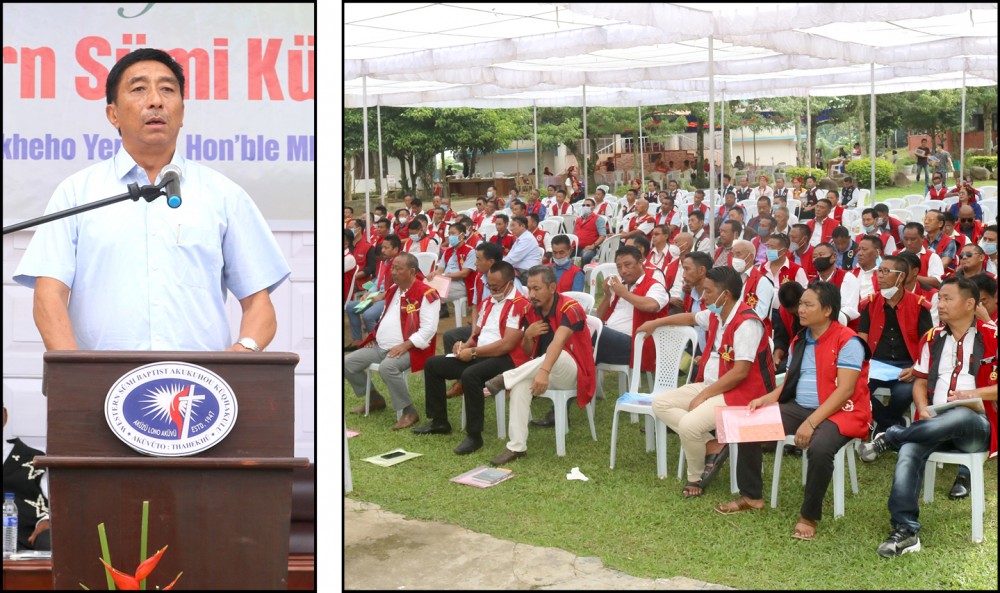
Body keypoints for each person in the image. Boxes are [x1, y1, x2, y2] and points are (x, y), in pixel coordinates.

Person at [13, 48, 289, 353]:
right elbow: (48, 295)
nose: (156, 101)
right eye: (139, 89)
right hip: (101, 386)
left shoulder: (223, 195)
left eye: (168, 89)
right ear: (113, 114)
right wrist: (75, 371)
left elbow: (259, 304)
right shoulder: (77, 192)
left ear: (182, 112)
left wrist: (242, 353)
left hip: (197, 389)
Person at [858, 276, 997, 558]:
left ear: (970, 303)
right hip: (932, 423)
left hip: (976, 425)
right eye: (939, 298)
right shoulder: (932, 337)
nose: (940, 304)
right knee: (910, 450)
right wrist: (922, 408)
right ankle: (905, 531)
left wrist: (973, 395)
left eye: (948, 299)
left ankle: (892, 435)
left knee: (961, 415)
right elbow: (920, 381)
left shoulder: (993, 336)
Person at [732, 282, 871, 541]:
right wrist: (766, 399)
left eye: (808, 305)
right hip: (800, 407)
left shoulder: (848, 341)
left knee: (819, 448)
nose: (801, 309)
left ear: (827, 310)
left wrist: (811, 421)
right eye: (801, 304)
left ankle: (808, 516)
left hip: (841, 411)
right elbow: (790, 382)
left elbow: (845, 391)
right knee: (749, 425)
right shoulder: (801, 339)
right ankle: (751, 496)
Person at [642, 266, 774, 498]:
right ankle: (712, 443)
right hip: (714, 384)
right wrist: (657, 323)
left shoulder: (746, 323)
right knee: (661, 404)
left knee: (689, 425)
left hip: (742, 392)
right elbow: (691, 317)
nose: (703, 298)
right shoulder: (716, 313)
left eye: (708, 292)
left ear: (726, 295)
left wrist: (704, 395)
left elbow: (740, 372)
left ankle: (695, 476)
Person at [414, 262, 531, 455]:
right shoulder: (488, 302)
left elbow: (507, 344)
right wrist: (464, 346)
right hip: (481, 352)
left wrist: (474, 352)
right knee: (433, 364)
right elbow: (478, 333)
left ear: (510, 284)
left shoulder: (520, 305)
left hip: (506, 358)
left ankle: (474, 435)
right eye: (489, 286)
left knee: (470, 375)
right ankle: (439, 421)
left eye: (496, 287)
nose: (492, 291)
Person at [483, 266, 595, 465]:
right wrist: (527, 335)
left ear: (552, 287)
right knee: (520, 386)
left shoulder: (571, 308)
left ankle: (505, 378)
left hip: (574, 371)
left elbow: (559, 343)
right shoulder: (530, 310)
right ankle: (516, 447)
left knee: (557, 353)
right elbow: (528, 352)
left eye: (537, 289)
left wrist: (543, 371)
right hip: (544, 368)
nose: (531, 294)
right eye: (529, 289)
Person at [344, 253, 440, 429]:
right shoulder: (394, 290)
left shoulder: (427, 293)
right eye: (393, 268)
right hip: (381, 346)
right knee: (347, 363)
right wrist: (375, 337)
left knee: (388, 368)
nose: (393, 272)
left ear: (412, 271)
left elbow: (429, 329)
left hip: (411, 349)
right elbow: (383, 317)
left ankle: (408, 411)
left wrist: (406, 345)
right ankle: (375, 399)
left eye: (398, 268)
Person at [858, 255, 934, 435]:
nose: (880, 276)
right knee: (858, 390)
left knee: (903, 393)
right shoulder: (870, 304)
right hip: (875, 364)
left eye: (886, 271)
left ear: (901, 277)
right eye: (879, 271)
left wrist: (916, 369)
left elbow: (927, 344)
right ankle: (892, 425)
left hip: (907, 365)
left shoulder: (918, 305)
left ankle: (883, 426)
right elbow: (861, 340)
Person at [592, 245, 670, 383]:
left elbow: (651, 306)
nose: (623, 271)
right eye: (619, 267)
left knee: (586, 330)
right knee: (583, 334)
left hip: (635, 343)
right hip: (610, 340)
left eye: (628, 265)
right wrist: (607, 294)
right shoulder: (621, 286)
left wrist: (624, 293)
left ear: (640, 263)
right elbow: (600, 317)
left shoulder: (654, 286)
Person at [3, 406, 51, 551]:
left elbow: (59, 503)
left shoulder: (35, 460)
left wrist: (47, 520)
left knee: (50, 539)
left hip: (25, 543)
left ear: (3, 416)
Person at [345, 234, 402, 351]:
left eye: (386, 248)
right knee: (351, 307)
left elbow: (398, 287)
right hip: (378, 294)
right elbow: (377, 280)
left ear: (396, 249)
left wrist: (380, 296)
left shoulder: (400, 263)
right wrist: (368, 292)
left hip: (390, 297)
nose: (383, 250)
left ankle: (376, 341)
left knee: (369, 315)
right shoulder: (383, 262)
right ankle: (357, 339)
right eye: (383, 247)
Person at [429, 222, 477, 319]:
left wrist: (444, 276)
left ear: (462, 235)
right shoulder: (448, 251)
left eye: (453, 234)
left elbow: (464, 273)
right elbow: (440, 270)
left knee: (431, 293)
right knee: (424, 287)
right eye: (449, 234)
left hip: (462, 284)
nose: (450, 237)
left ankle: (433, 317)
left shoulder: (470, 251)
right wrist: (434, 274)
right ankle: (433, 316)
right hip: (446, 281)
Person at [812, 241, 861, 327]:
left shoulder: (847, 277)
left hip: (844, 331)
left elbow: (849, 310)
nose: (817, 259)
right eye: (814, 257)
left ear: (833, 257)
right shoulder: (811, 282)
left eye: (821, 255)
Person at [730, 240, 775, 327]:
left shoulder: (762, 281)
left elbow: (760, 313)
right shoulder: (730, 278)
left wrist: (737, 323)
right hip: (732, 328)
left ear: (750, 257)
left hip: (753, 329)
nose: (734, 258)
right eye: (733, 254)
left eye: (738, 254)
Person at [760, 231, 809, 309]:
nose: (768, 250)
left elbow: (805, 293)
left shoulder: (796, 270)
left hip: (786, 313)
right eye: (768, 246)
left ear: (784, 251)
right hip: (764, 310)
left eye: (772, 247)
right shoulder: (762, 267)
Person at [898, 222, 945, 289]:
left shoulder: (932, 257)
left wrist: (909, 276)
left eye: (913, 239)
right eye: (906, 239)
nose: (909, 243)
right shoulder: (895, 255)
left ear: (923, 238)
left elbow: (938, 281)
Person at [771, 281, 805, 373]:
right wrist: (776, 356)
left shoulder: (816, 308)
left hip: (811, 354)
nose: (798, 314)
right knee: (773, 369)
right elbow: (781, 338)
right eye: (793, 313)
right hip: (792, 355)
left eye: (798, 310)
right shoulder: (782, 311)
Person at [574, 197, 608, 264]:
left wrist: (593, 246)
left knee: (586, 256)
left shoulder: (598, 219)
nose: (585, 207)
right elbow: (573, 235)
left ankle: (583, 273)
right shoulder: (578, 220)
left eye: (588, 205)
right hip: (575, 247)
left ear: (593, 207)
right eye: (583, 205)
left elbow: (603, 236)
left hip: (590, 247)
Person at [853, 235, 883, 300]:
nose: (859, 253)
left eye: (864, 249)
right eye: (859, 249)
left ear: (877, 252)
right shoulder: (851, 274)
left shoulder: (884, 275)